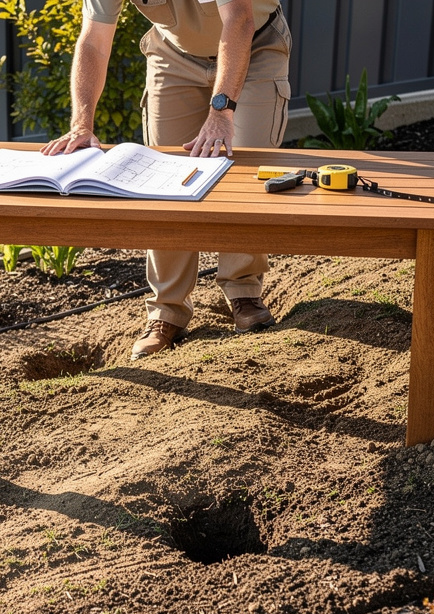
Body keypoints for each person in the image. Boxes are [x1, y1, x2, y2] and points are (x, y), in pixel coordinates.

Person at [43, 0, 292, 359]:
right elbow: (94, 41)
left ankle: (243, 291)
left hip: (254, 45)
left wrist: (221, 110)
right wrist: (82, 124)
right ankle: (167, 311)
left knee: (243, 168)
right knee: (162, 174)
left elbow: (239, 20)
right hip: (174, 53)